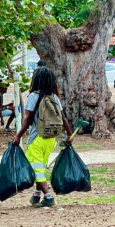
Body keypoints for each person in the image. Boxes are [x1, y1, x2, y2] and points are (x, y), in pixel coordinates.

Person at [12, 68, 72, 208]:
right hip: (51, 139)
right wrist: (69, 134)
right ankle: (37, 196)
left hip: (37, 138)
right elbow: (63, 118)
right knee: (40, 168)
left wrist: (18, 136)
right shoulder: (54, 97)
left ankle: (49, 197)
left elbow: (27, 119)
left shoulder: (34, 96)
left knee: (36, 168)